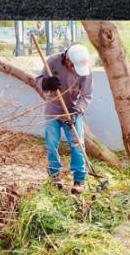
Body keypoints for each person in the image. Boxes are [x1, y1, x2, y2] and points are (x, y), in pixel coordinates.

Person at [35, 44, 93, 195]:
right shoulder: (53, 61)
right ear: (67, 58)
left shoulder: (85, 70)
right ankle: (55, 177)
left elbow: (87, 96)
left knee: (77, 145)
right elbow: (39, 81)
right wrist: (46, 84)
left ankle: (79, 179)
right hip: (53, 109)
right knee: (51, 143)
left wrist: (76, 111)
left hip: (73, 111)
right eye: (72, 66)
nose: (75, 70)